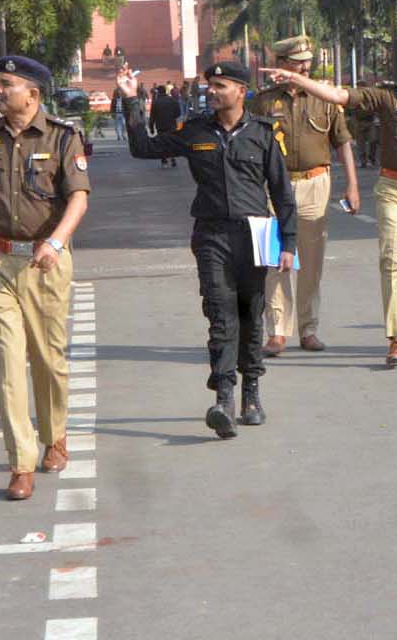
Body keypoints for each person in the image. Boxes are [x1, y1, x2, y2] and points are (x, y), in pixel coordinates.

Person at [119, 60, 296, 437]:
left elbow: (282, 192)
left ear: (240, 91)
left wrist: (289, 243)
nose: (211, 92)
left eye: (220, 86)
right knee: (220, 314)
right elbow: (143, 148)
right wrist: (132, 101)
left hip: (256, 233)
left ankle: (251, 392)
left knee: (250, 314)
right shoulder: (196, 130)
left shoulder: (263, 133)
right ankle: (224, 398)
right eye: (209, 86)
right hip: (212, 235)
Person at [266, 40, 397, 365]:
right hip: (390, 189)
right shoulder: (386, 97)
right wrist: (297, 79)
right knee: (392, 262)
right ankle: (396, 338)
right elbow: (340, 96)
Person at [0, 55, 90, 501]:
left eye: (5, 83)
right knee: (8, 361)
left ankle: (55, 435)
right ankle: (20, 462)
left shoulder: (62, 137)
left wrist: (57, 242)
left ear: (32, 93)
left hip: (44, 261)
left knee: (48, 359)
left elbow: (79, 199)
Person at [249, 36, 360, 354]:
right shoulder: (263, 102)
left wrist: (352, 185)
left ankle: (309, 329)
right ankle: (277, 331)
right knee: (275, 259)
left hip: (315, 183)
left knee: (311, 261)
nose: (305, 67)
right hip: (273, 187)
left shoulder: (325, 98)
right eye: (298, 62)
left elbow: (342, 142)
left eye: (307, 62)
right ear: (282, 64)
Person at [150, 84, 182, 167]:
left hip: (160, 126)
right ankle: (173, 158)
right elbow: (178, 113)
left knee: (162, 143)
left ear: (158, 92)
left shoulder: (155, 102)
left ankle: (164, 161)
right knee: (171, 142)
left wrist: (151, 128)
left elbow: (152, 116)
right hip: (171, 125)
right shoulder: (172, 100)